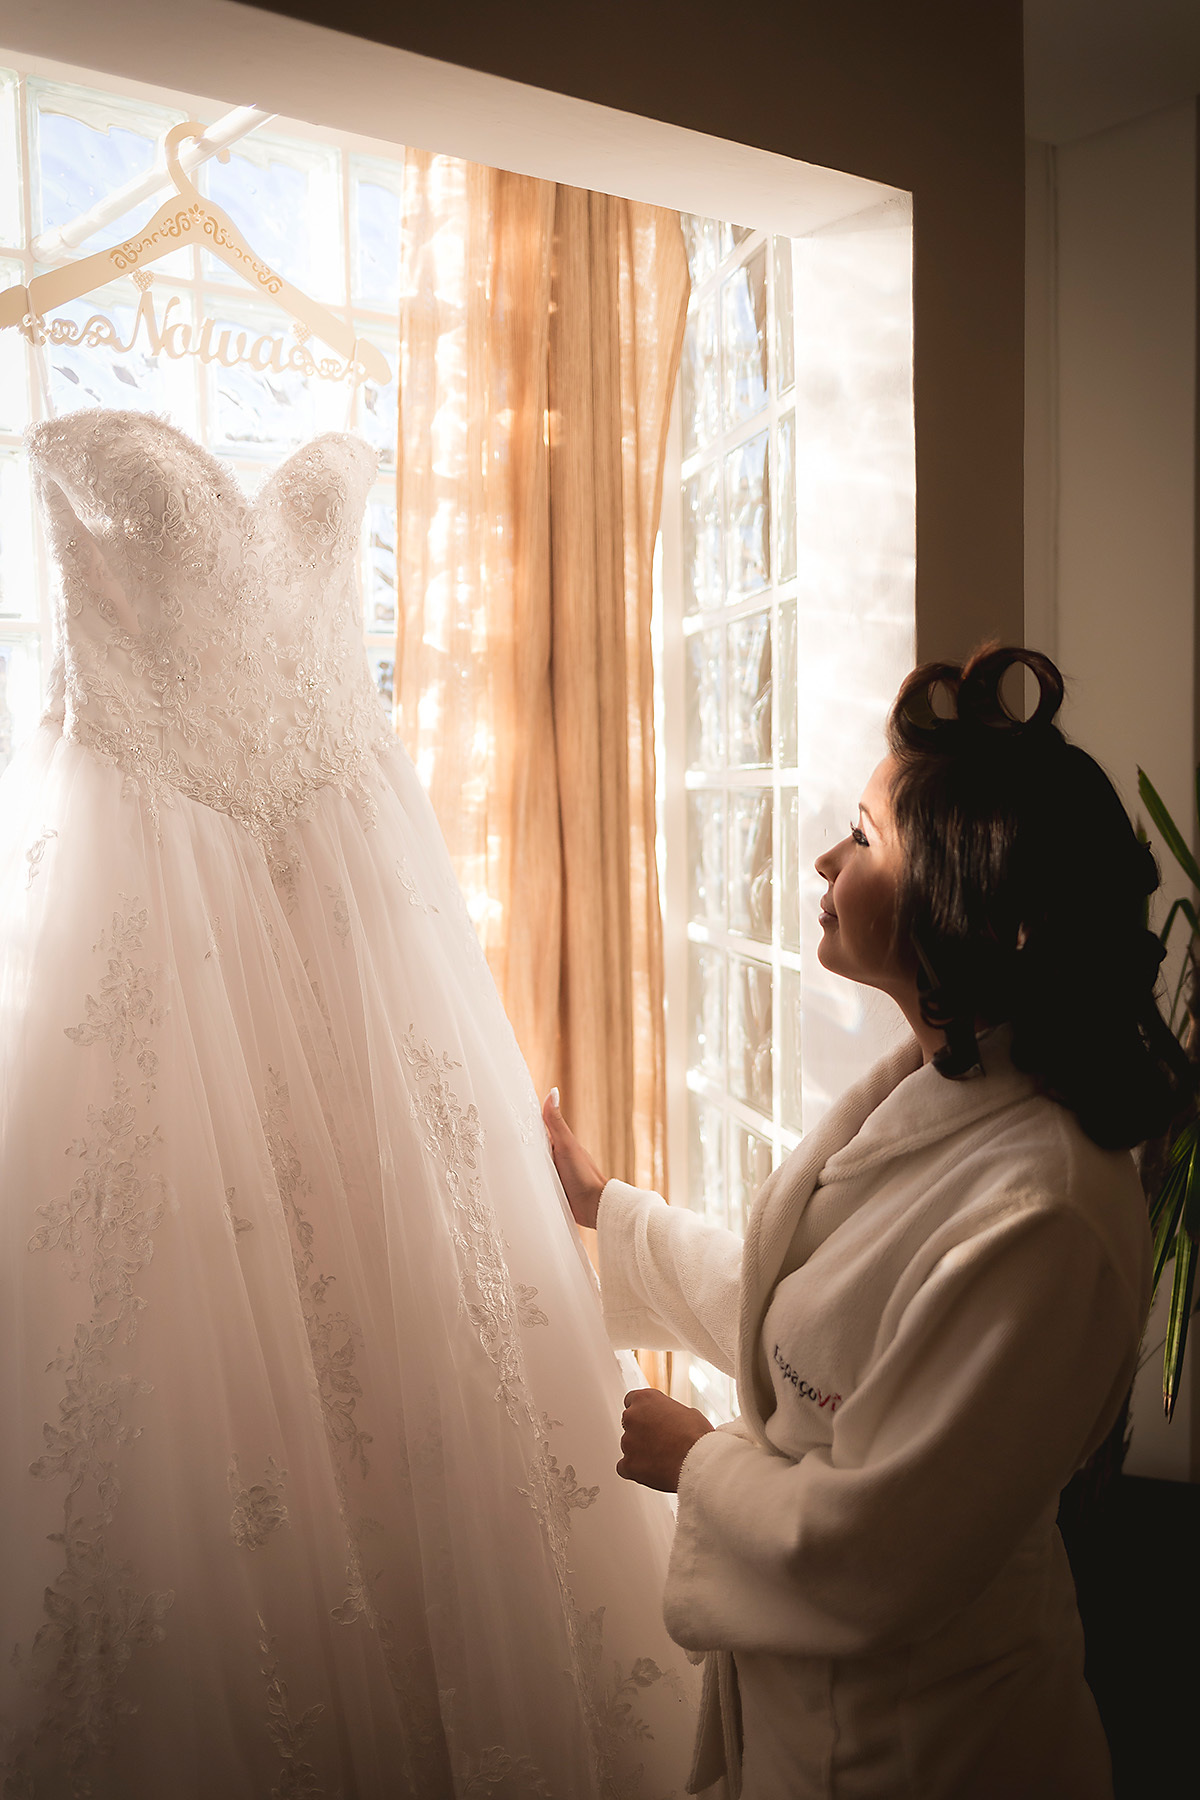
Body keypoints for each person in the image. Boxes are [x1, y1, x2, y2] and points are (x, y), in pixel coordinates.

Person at [543, 644, 1189, 1800]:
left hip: (928, 1749)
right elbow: (816, 1323)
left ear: (970, 897)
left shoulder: (1043, 1215)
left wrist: (699, 1464)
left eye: (865, 835)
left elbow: (881, 1548)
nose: (826, 860)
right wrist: (607, 1210)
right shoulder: (951, 1080)